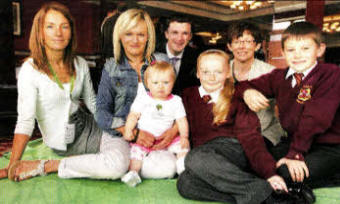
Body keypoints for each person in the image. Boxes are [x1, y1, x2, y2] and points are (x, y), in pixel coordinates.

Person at [0, 2, 130, 182]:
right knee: (118, 166)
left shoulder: (80, 64)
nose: (58, 33)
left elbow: (93, 104)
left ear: (71, 31)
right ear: (40, 32)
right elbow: (25, 120)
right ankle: (48, 165)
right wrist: (13, 164)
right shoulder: (30, 70)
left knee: (131, 156)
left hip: (94, 129)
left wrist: (118, 126)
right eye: (50, 26)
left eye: (64, 26)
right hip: (62, 144)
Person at [238, 21, 340, 203]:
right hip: (296, 142)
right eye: (291, 50)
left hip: (330, 147)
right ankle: (289, 187)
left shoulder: (331, 74)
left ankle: (330, 177)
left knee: (285, 172)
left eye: (305, 48)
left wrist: (295, 154)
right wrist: (247, 91)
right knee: (255, 163)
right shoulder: (279, 77)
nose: (298, 55)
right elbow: (243, 85)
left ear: (320, 50)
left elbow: (315, 118)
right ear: (283, 52)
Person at [177, 49, 292, 204]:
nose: (211, 77)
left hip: (233, 150)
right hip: (209, 160)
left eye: (218, 72)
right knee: (186, 183)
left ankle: (260, 191)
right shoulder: (187, 95)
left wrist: (270, 173)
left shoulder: (236, 98)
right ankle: (262, 194)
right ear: (197, 73)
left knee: (194, 157)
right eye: (205, 72)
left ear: (227, 74)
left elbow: (251, 138)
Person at [95, 9, 180, 180]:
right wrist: (135, 133)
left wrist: (173, 131)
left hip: (159, 134)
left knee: (168, 169)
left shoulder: (162, 60)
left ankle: (136, 167)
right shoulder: (111, 66)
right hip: (123, 134)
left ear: (148, 36)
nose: (135, 40)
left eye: (141, 34)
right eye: (129, 34)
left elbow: (177, 101)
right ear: (120, 36)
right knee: (127, 166)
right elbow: (101, 113)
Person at [121, 61, 189, 187]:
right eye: (155, 83)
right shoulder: (143, 98)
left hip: (168, 138)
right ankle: (133, 172)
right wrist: (128, 130)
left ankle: (182, 168)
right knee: (136, 154)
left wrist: (184, 136)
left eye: (166, 83)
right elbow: (133, 115)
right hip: (145, 139)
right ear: (147, 83)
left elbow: (181, 120)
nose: (160, 87)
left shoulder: (176, 101)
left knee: (183, 146)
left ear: (173, 83)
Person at [226, 22, 286, 146]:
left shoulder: (270, 72)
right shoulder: (221, 70)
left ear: (257, 46)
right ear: (230, 46)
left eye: (248, 41)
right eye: (237, 41)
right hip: (229, 133)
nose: (242, 47)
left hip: (263, 132)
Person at [156, 16, 200, 95]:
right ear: (166, 34)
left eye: (185, 33)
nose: (179, 38)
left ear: (190, 36)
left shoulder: (197, 59)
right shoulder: (151, 55)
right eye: (175, 32)